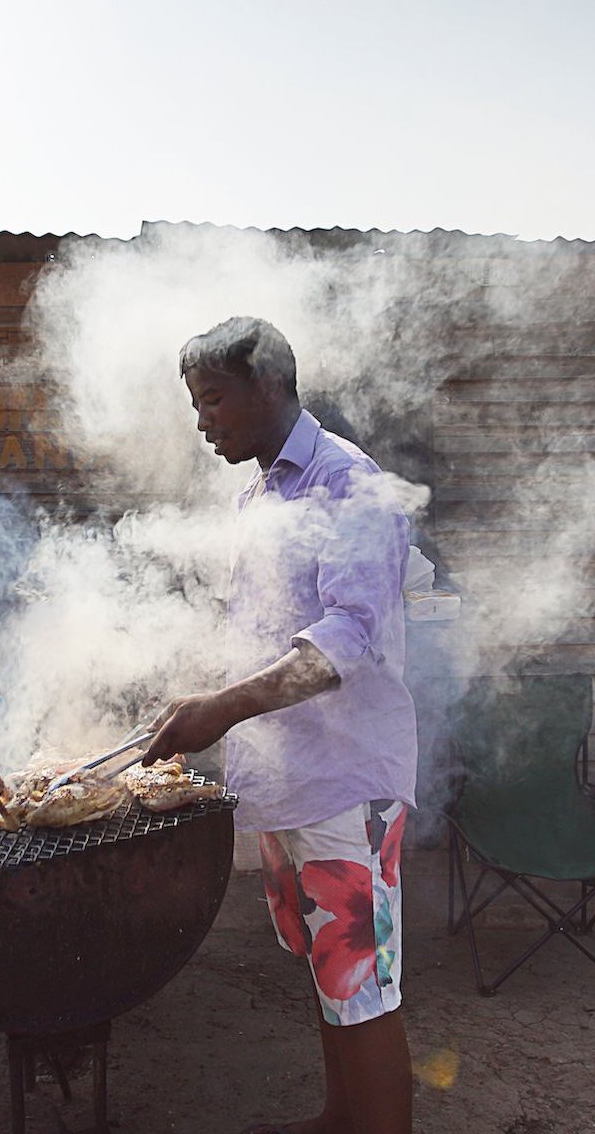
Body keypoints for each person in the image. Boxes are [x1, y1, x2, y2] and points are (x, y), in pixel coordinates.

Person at [145, 316, 418, 1134]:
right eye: (195, 406)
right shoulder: (263, 495)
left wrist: (219, 711)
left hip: (344, 785)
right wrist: (201, 693)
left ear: (267, 384)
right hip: (287, 782)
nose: (203, 423)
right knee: (328, 975)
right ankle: (341, 1117)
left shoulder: (348, 485)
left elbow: (349, 640)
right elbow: (265, 631)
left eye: (214, 400)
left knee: (361, 986)